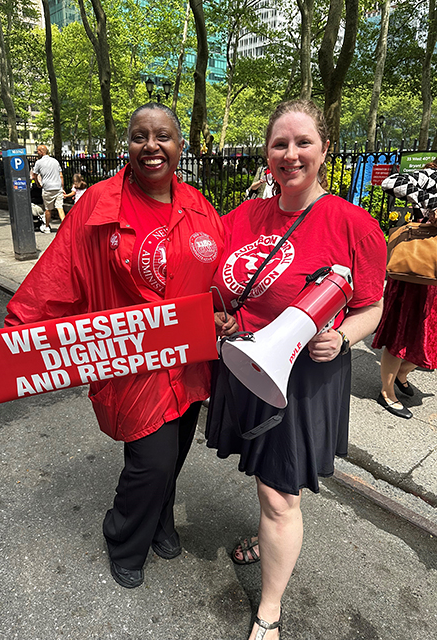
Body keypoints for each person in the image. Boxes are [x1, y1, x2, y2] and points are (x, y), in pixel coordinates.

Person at [0, 102, 237, 590]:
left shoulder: (200, 206)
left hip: (190, 362)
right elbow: (55, 280)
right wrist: (0, 354)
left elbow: (225, 276)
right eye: (139, 136)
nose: (151, 146)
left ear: (180, 145)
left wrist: (225, 314)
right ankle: (123, 537)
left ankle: (161, 521)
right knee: (150, 463)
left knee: (173, 456)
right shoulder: (100, 204)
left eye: (163, 136)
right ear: (127, 144)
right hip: (131, 364)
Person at [206, 99, 387, 640]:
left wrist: (343, 336)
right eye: (280, 144)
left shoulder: (354, 224)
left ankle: (269, 611)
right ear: (268, 154)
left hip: (303, 378)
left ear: (324, 149)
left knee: (279, 495)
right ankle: (268, 538)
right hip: (245, 366)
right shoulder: (244, 216)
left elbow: (372, 306)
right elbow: (216, 283)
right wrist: (219, 314)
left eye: (303, 142)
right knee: (266, 481)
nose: (291, 154)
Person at [372, 161, 437, 419]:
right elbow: (391, 182)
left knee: (428, 337)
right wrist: (431, 206)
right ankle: (387, 391)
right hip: (416, 272)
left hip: (434, 278)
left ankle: (401, 374)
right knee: (401, 332)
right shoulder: (431, 175)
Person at [31, 145, 65, 233]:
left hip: (48, 188)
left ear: (41, 152)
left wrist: (38, 184)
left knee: (48, 209)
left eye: (38, 151)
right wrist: (62, 188)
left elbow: (34, 175)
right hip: (57, 187)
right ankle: (65, 226)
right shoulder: (55, 161)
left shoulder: (39, 163)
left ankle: (46, 227)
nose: (37, 153)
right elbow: (61, 175)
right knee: (60, 208)